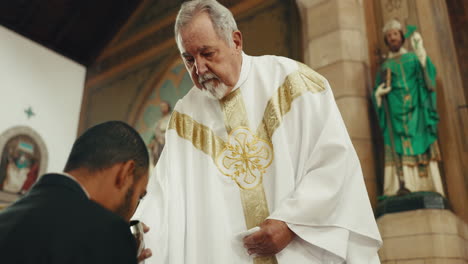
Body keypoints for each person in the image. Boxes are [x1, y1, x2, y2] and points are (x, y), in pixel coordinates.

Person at [135, 0, 382, 263]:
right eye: (189, 59)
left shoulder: (294, 83)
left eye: (207, 54)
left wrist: (291, 223)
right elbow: (163, 197)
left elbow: (334, 164)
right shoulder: (185, 117)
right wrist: (138, 238)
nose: (199, 69)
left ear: (236, 41)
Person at [0, 121, 152, 264]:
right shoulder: (108, 235)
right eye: (139, 196)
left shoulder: (6, 218)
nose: (132, 214)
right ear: (125, 173)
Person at [372, 19, 444, 197]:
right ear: (386, 40)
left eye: (395, 34)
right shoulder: (385, 67)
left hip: (417, 113)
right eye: (389, 36)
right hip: (394, 116)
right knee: (397, 147)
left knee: (421, 142)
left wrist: (420, 52)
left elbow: (427, 76)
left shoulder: (412, 58)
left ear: (401, 36)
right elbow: (377, 91)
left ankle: (427, 186)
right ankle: (401, 186)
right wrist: (379, 95)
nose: (392, 38)